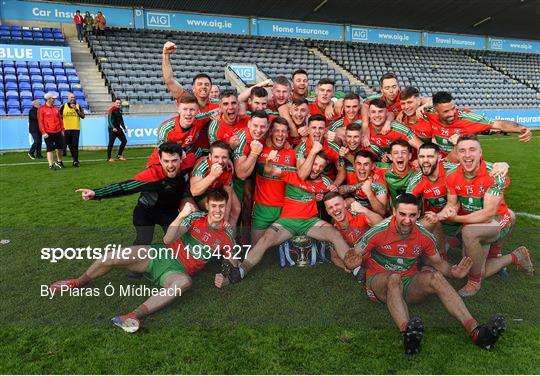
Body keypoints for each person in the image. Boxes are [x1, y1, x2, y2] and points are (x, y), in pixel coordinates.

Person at [49, 189, 236, 333]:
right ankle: (78, 282)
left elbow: (233, 265)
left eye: (221, 206)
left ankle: (134, 316)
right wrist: (181, 215)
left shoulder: (227, 236)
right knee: (111, 256)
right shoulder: (195, 218)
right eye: (214, 206)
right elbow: (168, 240)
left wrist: (226, 278)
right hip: (159, 254)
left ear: (226, 206)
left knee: (184, 283)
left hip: (176, 271)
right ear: (208, 206)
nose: (218, 210)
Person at [358, 193, 507, 356]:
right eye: (402, 214)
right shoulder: (378, 231)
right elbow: (354, 254)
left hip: (407, 283)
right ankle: (408, 334)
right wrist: (351, 261)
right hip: (380, 282)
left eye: (412, 215)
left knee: (435, 276)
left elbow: (439, 264)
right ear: (394, 211)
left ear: (419, 214)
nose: (407, 220)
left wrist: (453, 271)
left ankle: (477, 332)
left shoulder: (424, 235)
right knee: (394, 277)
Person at [214, 150, 362, 287]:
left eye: (321, 166)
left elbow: (337, 191)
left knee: (334, 234)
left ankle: (356, 269)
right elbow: (269, 171)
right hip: (286, 222)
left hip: (310, 222)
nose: (316, 168)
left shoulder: (325, 182)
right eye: (315, 164)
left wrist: (352, 187)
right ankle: (241, 271)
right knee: (265, 240)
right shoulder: (293, 174)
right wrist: (269, 162)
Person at [441, 134, 534, 297]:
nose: (467, 155)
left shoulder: (495, 173)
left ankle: (474, 282)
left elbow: (488, 214)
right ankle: (516, 256)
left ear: (480, 152)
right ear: (456, 153)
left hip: (495, 220)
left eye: (472, 150)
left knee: (469, 233)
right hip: (474, 222)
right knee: (476, 264)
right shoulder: (451, 174)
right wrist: (449, 210)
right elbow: (452, 202)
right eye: (462, 151)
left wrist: (456, 219)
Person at [75, 142, 195, 247]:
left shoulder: (188, 163)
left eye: (174, 160)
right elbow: (124, 187)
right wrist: (96, 193)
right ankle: (134, 273)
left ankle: (174, 265)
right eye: (166, 161)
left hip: (169, 211)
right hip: (146, 212)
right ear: (159, 159)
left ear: (181, 158)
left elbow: (201, 151)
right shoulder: (152, 175)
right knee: (143, 242)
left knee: (177, 241)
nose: (170, 166)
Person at [426, 91, 532, 157]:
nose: (452, 113)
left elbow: (499, 124)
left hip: (467, 166)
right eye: (446, 111)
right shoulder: (429, 114)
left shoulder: (469, 118)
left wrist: (522, 128)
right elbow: (416, 102)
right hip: (444, 165)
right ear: (436, 111)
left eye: (453, 108)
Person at [251, 117, 296, 243]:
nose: (280, 135)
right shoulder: (260, 148)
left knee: (281, 249)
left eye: (283, 131)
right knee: (255, 246)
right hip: (262, 208)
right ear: (270, 131)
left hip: (284, 208)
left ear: (287, 133)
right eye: (276, 130)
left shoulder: (292, 153)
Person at [323, 192, 383, 274]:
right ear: (327, 211)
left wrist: (364, 210)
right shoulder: (333, 231)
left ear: (344, 204)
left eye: (337, 204)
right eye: (330, 207)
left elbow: (382, 224)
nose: (335, 209)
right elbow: (334, 257)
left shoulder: (358, 213)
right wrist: (346, 267)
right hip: (362, 263)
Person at [147, 94, 210, 167]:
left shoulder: (199, 119)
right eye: (185, 109)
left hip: (181, 163)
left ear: (197, 111)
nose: (188, 113)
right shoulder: (166, 128)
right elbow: (161, 149)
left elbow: (214, 113)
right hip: (160, 164)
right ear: (179, 110)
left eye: (192, 109)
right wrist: (179, 151)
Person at [190, 141, 241, 227]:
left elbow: (228, 194)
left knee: (236, 208)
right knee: (215, 210)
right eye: (216, 157)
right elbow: (194, 191)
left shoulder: (228, 167)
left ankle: (229, 236)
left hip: (215, 191)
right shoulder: (203, 165)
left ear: (229, 158)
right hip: (199, 193)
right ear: (210, 157)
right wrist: (212, 176)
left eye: (224, 157)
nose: (220, 161)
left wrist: (225, 220)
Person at [38, 92, 64, 171]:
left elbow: (60, 119)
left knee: (60, 148)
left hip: (58, 131)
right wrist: (43, 132)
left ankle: (59, 161)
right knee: (49, 149)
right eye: (53, 98)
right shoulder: (41, 109)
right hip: (48, 132)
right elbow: (40, 122)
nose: (54, 99)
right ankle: (51, 165)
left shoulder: (56, 108)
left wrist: (62, 130)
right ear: (48, 99)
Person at [60, 93, 85, 167]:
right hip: (66, 129)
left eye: (74, 97)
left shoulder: (78, 106)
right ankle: (72, 159)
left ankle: (75, 161)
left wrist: (76, 110)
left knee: (75, 145)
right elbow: (59, 116)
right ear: (68, 98)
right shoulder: (63, 106)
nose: (72, 98)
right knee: (68, 145)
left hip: (75, 128)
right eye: (71, 97)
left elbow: (83, 116)